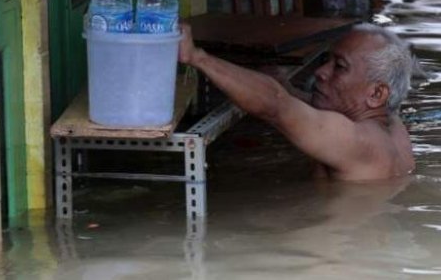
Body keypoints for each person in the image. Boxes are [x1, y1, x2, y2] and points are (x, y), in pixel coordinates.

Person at [178, 22, 415, 181]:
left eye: (339, 67)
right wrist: (286, 85)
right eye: (326, 60)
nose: (321, 71)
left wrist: (197, 57)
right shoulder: (392, 126)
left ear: (376, 94)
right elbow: (308, 107)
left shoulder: (356, 141)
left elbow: (276, 105)